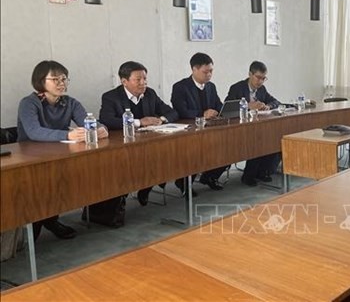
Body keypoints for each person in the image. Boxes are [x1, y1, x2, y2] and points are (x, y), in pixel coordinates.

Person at [17, 60, 109, 240]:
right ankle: (35, 226)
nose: (61, 83)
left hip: (59, 154)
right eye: (55, 79)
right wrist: (68, 135)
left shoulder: (70, 102)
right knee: (41, 189)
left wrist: (100, 129)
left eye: (64, 79)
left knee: (61, 185)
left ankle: (51, 219)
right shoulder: (29, 103)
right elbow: (34, 132)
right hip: (30, 157)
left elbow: (89, 121)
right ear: (41, 81)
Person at [99, 61, 180, 206]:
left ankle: (146, 188)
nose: (143, 83)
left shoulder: (149, 94)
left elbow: (172, 112)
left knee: (166, 157)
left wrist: (160, 120)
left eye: (145, 79)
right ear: (124, 81)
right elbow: (107, 120)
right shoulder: (111, 97)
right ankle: (122, 195)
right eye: (138, 80)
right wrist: (139, 122)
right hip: (124, 144)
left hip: (149, 142)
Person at [171, 52, 228, 191]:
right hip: (190, 131)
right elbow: (181, 111)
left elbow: (218, 105)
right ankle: (183, 182)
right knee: (195, 155)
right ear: (194, 69)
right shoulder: (180, 87)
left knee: (228, 147)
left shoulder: (211, 86)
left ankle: (209, 176)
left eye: (211, 71)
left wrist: (225, 110)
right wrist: (202, 114)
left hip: (210, 128)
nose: (209, 75)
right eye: (205, 72)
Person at [225, 61, 281, 186]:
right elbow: (227, 109)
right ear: (250, 74)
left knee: (272, 139)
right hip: (239, 127)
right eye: (258, 77)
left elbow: (276, 101)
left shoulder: (262, 89)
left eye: (263, 78)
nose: (260, 81)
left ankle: (262, 172)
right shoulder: (237, 88)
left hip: (256, 126)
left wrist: (267, 106)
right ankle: (248, 176)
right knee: (256, 142)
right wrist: (248, 106)